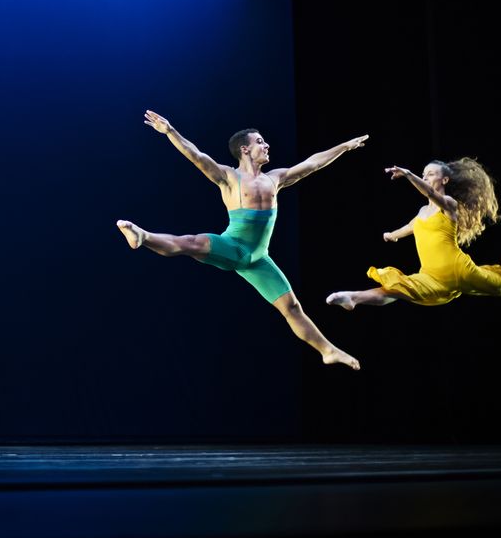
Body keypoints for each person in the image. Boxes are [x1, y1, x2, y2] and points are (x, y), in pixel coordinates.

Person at [116, 110, 365, 370]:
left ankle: (328, 350)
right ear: (244, 149)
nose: (266, 145)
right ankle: (142, 236)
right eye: (260, 142)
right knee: (190, 243)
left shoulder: (275, 179)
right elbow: (197, 156)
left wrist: (344, 147)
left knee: (292, 307)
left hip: (258, 259)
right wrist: (170, 132)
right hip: (232, 247)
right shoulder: (228, 177)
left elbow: (312, 163)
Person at [325, 158, 501, 310]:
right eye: (424, 174)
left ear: (444, 180)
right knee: (397, 289)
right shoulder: (423, 212)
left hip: (459, 270)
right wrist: (393, 235)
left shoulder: (449, 205)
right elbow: (412, 227)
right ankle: (353, 297)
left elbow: (429, 192)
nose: (426, 177)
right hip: (431, 276)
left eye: (430, 174)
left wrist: (409, 174)